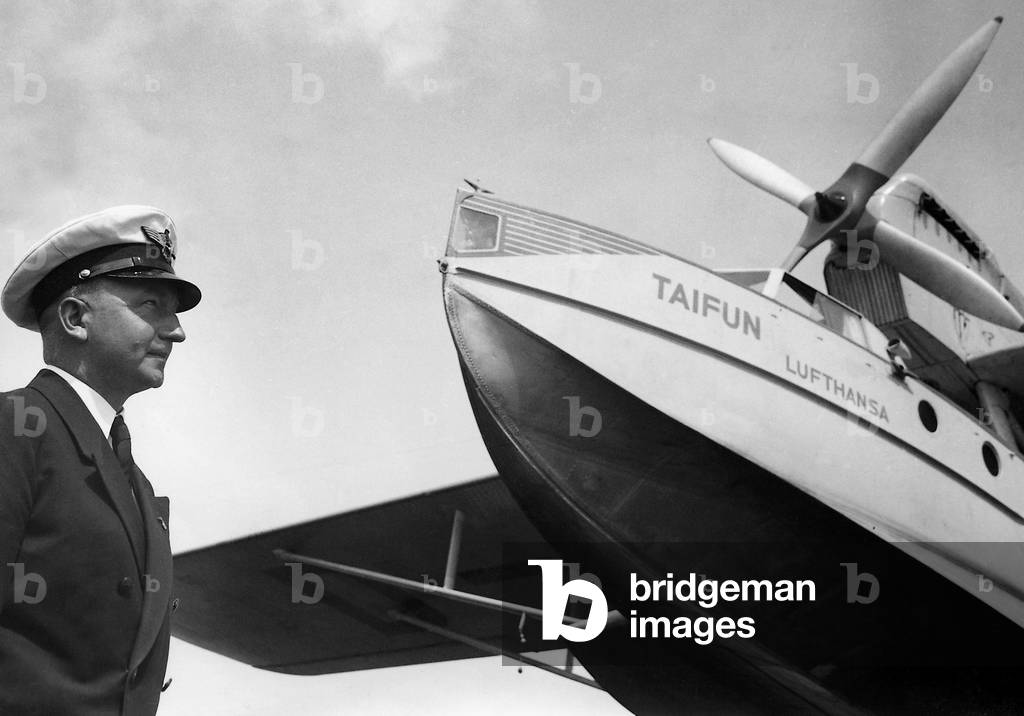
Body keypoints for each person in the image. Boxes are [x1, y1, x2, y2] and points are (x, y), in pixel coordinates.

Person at [0, 206, 201, 715]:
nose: (176, 331)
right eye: (151, 305)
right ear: (75, 318)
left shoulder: (135, 481)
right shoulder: (15, 428)